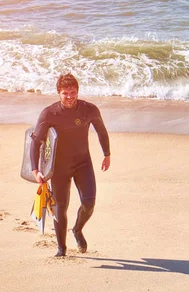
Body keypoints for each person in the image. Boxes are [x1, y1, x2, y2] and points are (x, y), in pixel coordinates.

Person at [30, 73, 111, 257]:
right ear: (59, 93)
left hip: (83, 162)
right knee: (61, 206)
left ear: (78, 91)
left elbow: (101, 131)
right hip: (59, 167)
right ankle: (62, 249)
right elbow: (36, 142)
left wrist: (107, 154)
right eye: (65, 93)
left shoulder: (88, 110)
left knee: (89, 203)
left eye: (73, 92)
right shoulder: (49, 113)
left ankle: (77, 229)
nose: (69, 97)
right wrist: (36, 170)